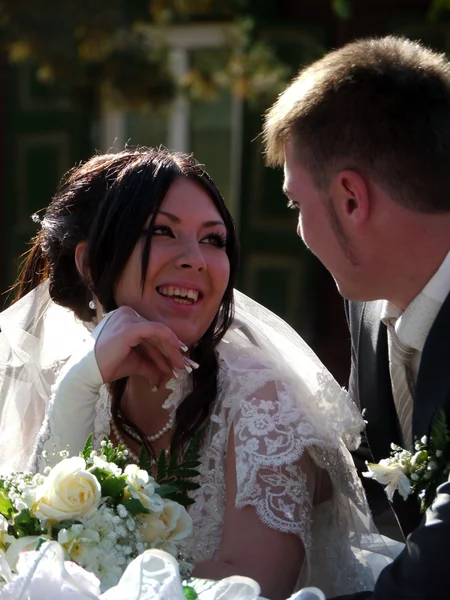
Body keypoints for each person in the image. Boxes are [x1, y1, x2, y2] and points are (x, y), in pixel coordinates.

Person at [0, 148, 384, 599]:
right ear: (88, 263)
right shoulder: (67, 380)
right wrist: (78, 388)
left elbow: (256, 587)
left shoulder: (263, 403)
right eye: (163, 232)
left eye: (213, 240)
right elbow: (28, 541)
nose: (196, 260)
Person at [262, 35, 450, 599]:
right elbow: (365, 480)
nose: (298, 232)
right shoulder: (366, 305)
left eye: (297, 204)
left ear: (350, 198)